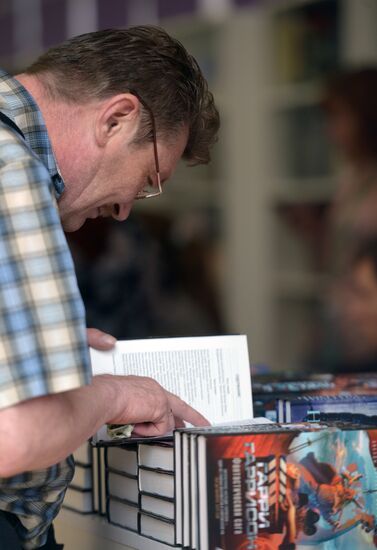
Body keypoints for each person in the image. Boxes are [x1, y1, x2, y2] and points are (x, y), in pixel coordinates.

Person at [0, 26, 219, 548]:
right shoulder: (12, 170)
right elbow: (15, 437)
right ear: (116, 118)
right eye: (148, 180)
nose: (124, 210)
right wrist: (115, 396)